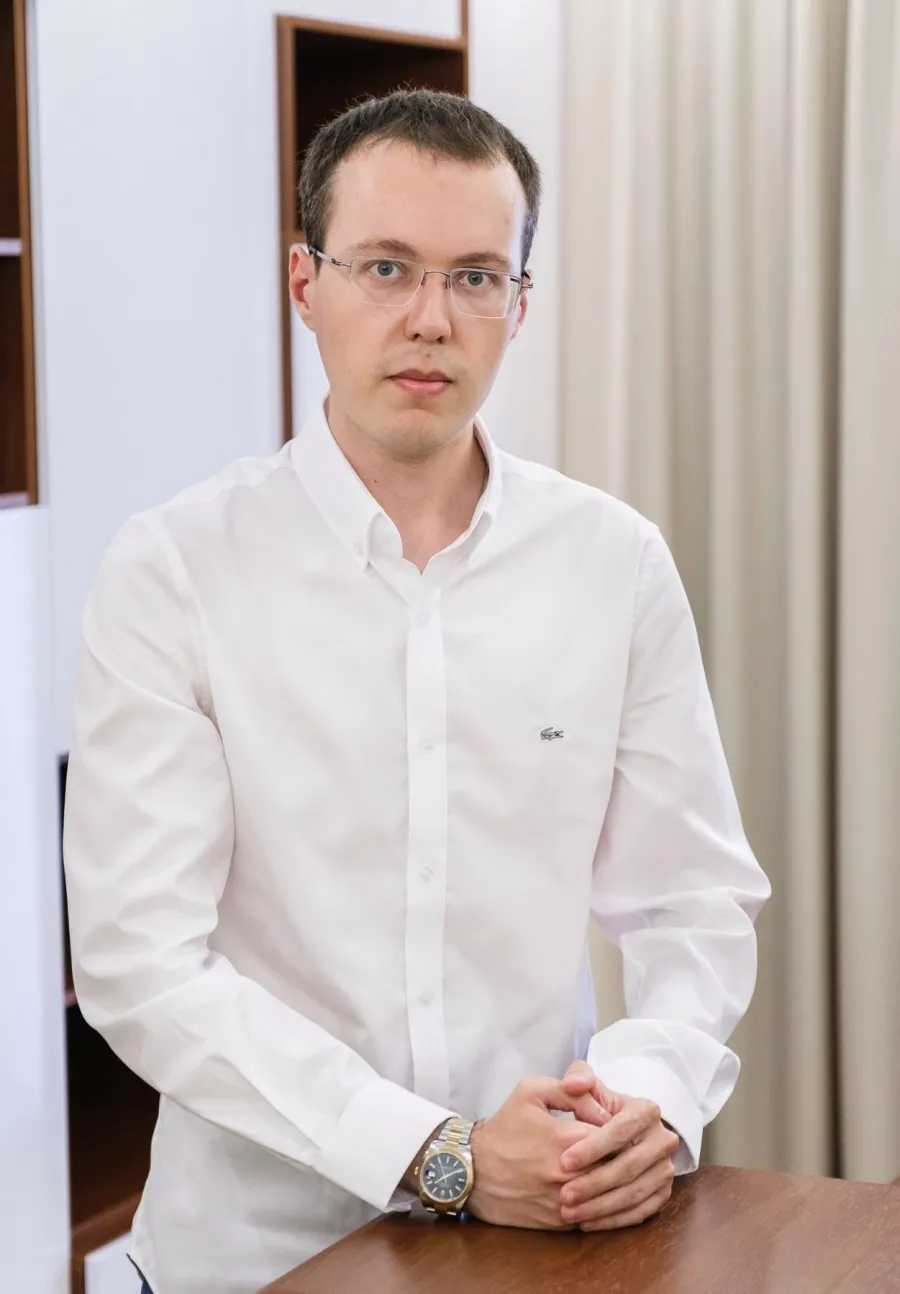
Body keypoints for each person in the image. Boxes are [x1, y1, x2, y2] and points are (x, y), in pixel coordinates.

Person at [63, 88, 771, 1294]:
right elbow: (142, 961)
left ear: (520, 304)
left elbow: (691, 901)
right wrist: (439, 1154)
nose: (431, 319)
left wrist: (641, 1103)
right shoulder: (174, 570)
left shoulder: (614, 562)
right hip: (259, 1257)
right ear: (306, 284)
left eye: (477, 276)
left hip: (548, 1241)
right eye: (386, 267)